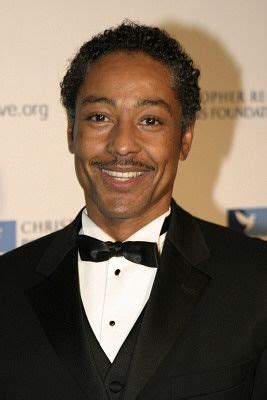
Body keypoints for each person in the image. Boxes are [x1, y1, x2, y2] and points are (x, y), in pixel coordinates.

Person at [0, 21, 266, 400]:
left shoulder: (257, 280)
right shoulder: (6, 286)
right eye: (99, 117)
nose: (122, 145)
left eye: (150, 121)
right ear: (71, 130)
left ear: (185, 137)